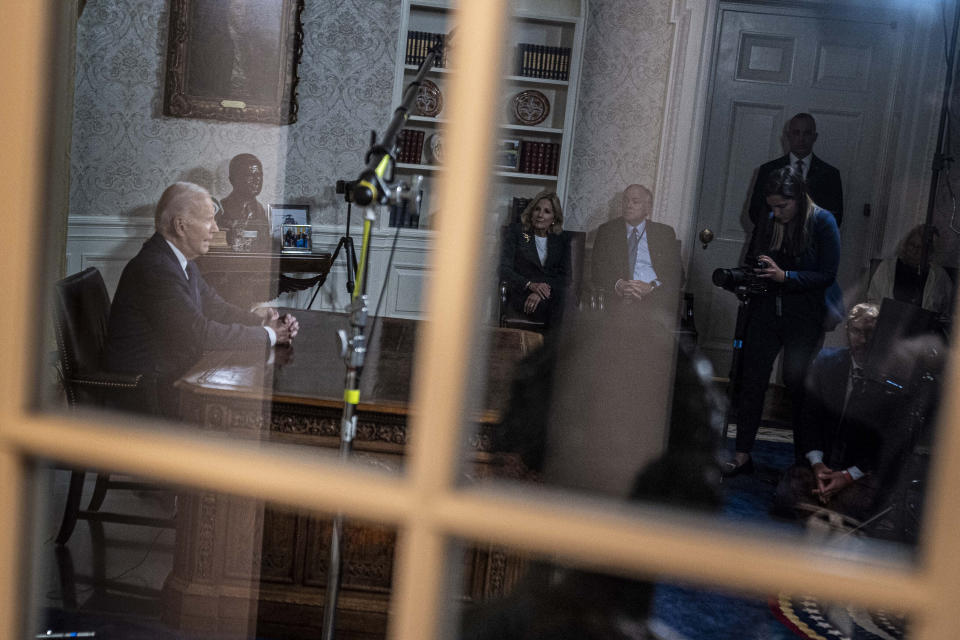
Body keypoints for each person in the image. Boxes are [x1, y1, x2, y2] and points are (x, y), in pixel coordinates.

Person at [104, 182, 298, 416]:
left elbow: (216, 307)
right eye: (209, 220)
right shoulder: (156, 268)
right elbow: (199, 334)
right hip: (147, 391)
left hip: (168, 376)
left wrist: (259, 321)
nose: (216, 228)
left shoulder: (177, 260)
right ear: (180, 225)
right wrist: (269, 335)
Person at [726, 166, 841, 476]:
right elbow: (754, 259)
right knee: (752, 381)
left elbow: (827, 275)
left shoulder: (823, 221)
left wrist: (785, 276)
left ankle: (805, 462)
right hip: (765, 310)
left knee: (798, 384)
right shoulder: (769, 218)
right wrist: (748, 278)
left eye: (782, 206)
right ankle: (742, 454)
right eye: (772, 205)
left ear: (799, 197)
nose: (775, 212)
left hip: (805, 313)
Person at [772, 304, 889, 521]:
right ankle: (827, 497)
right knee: (784, 497)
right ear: (847, 330)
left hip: (858, 469)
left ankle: (827, 501)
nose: (862, 339)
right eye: (856, 331)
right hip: (823, 462)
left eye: (869, 333)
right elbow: (809, 417)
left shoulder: (888, 377)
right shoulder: (826, 361)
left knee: (864, 505)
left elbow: (882, 440)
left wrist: (847, 476)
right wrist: (818, 465)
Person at [590, 184, 682, 324]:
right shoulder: (607, 231)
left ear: (648, 208)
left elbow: (678, 275)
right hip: (619, 300)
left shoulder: (664, 233)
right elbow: (597, 269)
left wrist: (651, 287)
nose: (629, 205)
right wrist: (618, 284)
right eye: (625, 200)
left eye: (635, 201)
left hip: (654, 301)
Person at [748, 113, 844, 228]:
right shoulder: (769, 170)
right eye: (796, 133)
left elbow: (835, 218)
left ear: (815, 137)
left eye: (807, 133)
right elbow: (755, 211)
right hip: (772, 241)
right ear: (788, 136)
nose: (801, 139)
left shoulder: (830, 175)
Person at [499, 190, 571, 331]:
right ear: (531, 212)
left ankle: (551, 350)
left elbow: (566, 276)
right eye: (537, 209)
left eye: (547, 211)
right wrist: (530, 285)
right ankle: (552, 351)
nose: (540, 215)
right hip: (522, 293)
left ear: (554, 218)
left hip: (551, 294)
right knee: (561, 308)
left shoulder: (561, 239)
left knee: (565, 302)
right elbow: (504, 269)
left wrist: (540, 292)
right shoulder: (517, 232)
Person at [866, 224, 953, 314]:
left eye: (920, 248)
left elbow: (946, 310)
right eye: (912, 244)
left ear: (930, 251)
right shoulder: (887, 267)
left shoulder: (939, 276)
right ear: (906, 244)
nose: (914, 251)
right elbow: (873, 299)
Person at [217, 153, 272, 251]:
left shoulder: (261, 211)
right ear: (232, 180)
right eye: (250, 175)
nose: (257, 180)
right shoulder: (222, 208)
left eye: (259, 175)